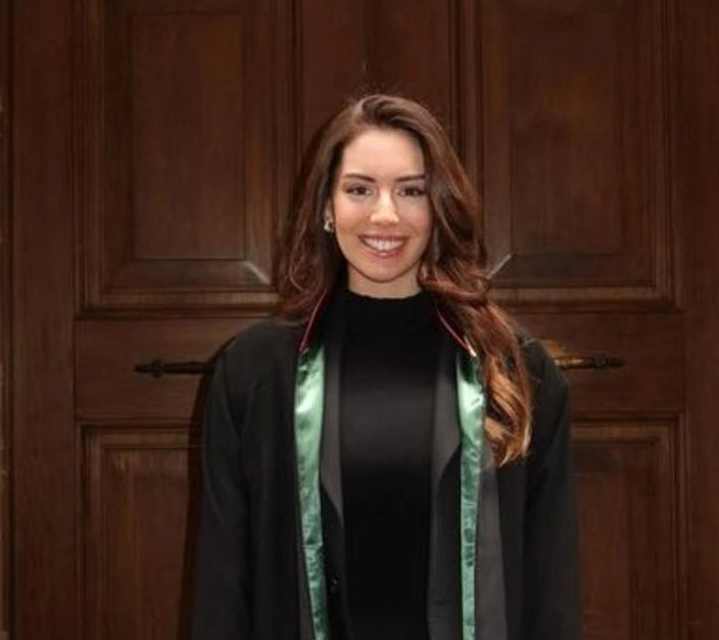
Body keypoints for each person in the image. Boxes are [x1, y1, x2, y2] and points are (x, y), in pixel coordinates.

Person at [191, 94, 581, 640]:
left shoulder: (515, 368)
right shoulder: (255, 372)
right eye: (359, 189)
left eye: (411, 191)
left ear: (439, 206)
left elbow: (550, 578)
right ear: (327, 207)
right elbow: (222, 582)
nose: (385, 215)